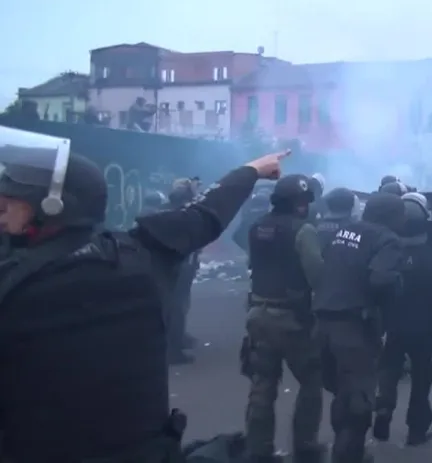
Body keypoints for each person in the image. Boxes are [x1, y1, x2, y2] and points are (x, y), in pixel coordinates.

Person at [0, 127, 289, 462]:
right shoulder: (140, 255)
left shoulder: (14, 287)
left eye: (8, 208)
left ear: (53, 206)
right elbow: (205, 215)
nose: (0, 216)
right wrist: (251, 170)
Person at [312, 192, 405, 463]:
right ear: (391, 216)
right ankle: (347, 457)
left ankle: (347, 450)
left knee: (342, 393)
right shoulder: (388, 240)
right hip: (353, 327)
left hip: (322, 324)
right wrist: (397, 290)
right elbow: (381, 280)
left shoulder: (344, 231)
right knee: (358, 402)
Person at [242, 174, 326, 463]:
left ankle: (258, 450)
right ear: (296, 203)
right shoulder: (303, 231)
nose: (305, 206)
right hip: (292, 318)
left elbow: (253, 265)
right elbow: (317, 275)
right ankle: (305, 447)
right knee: (312, 380)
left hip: (257, 313)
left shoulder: (257, 227)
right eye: (303, 201)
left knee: (262, 384)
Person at [373, 192, 432, 446]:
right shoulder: (430, 256)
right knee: (422, 376)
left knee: (389, 369)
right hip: (423, 326)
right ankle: (416, 430)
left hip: (393, 323)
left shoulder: (387, 251)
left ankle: (383, 408)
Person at [166, 178, 202, 364]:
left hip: (180, 265)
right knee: (177, 306)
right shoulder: (182, 214)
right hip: (180, 265)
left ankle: (178, 340)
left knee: (178, 305)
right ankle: (174, 348)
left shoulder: (172, 212)